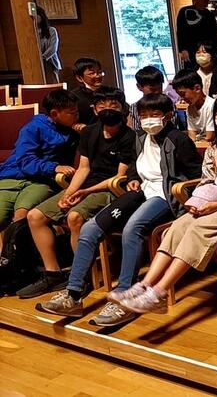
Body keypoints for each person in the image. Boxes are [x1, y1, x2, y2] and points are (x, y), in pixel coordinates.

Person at [39, 93, 202, 326]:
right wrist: (133, 178)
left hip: (165, 196)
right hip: (140, 191)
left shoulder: (178, 139)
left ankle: (124, 297)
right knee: (90, 228)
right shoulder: (141, 137)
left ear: (167, 116)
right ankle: (73, 294)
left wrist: (183, 194)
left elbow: (196, 174)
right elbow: (135, 165)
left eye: (154, 114)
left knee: (132, 229)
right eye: (144, 115)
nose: (148, 119)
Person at [116, 93, 217, 314]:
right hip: (211, 202)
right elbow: (207, 178)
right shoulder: (215, 146)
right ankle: (143, 285)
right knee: (177, 226)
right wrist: (199, 200)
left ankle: (158, 292)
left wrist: (215, 205)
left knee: (198, 228)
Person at [18, 86, 136, 299]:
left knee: (74, 217)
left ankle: (82, 277)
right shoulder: (89, 132)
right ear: (95, 109)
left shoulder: (129, 136)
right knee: (35, 216)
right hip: (85, 186)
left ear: (123, 108)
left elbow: (119, 177)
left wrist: (84, 192)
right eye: (102, 105)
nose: (108, 109)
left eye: (113, 105)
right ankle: (53, 273)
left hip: (109, 189)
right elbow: (83, 168)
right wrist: (69, 193)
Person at [0, 90, 80, 231]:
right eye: (72, 113)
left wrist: (83, 132)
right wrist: (53, 167)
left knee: (21, 216)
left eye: (77, 112)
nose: (77, 116)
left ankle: (16, 244)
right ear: (54, 114)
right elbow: (25, 160)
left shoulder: (71, 131)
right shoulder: (33, 128)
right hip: (12, 177)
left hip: (41, 181)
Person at [176, 0, 217, 69]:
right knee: (192, 72)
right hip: (191, 51)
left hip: (208, 50)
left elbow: (215, 35)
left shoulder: (209, 14)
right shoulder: (185, 11)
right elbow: (180, 32)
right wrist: (183, 49)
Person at [173, 69, 215, 142]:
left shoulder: (211, 105)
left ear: (197, 88)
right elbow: (192, 135)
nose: (182, 99)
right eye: (180, 95)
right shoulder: (190, 108)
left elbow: (209, 137)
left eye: (183, 94)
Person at [129, 66, 166, 131]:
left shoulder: (168, 104)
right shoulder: (135, 107)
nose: (157, 92)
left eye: (160, 88)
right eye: (153, 89)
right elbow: (137, 132)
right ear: (139, 87)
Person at [70, 58, 104, 125]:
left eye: (99, 72)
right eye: (92, 73)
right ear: (79, 78)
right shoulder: (73, 96)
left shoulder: (110, 91)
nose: (97, 76)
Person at [36, 6, 61, 84]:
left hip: (49, 62)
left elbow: (53, 48)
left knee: (53, 84)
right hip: (36, 63)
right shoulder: (31, 31)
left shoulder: (51, 30)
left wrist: (42, 58)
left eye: (37, 15)